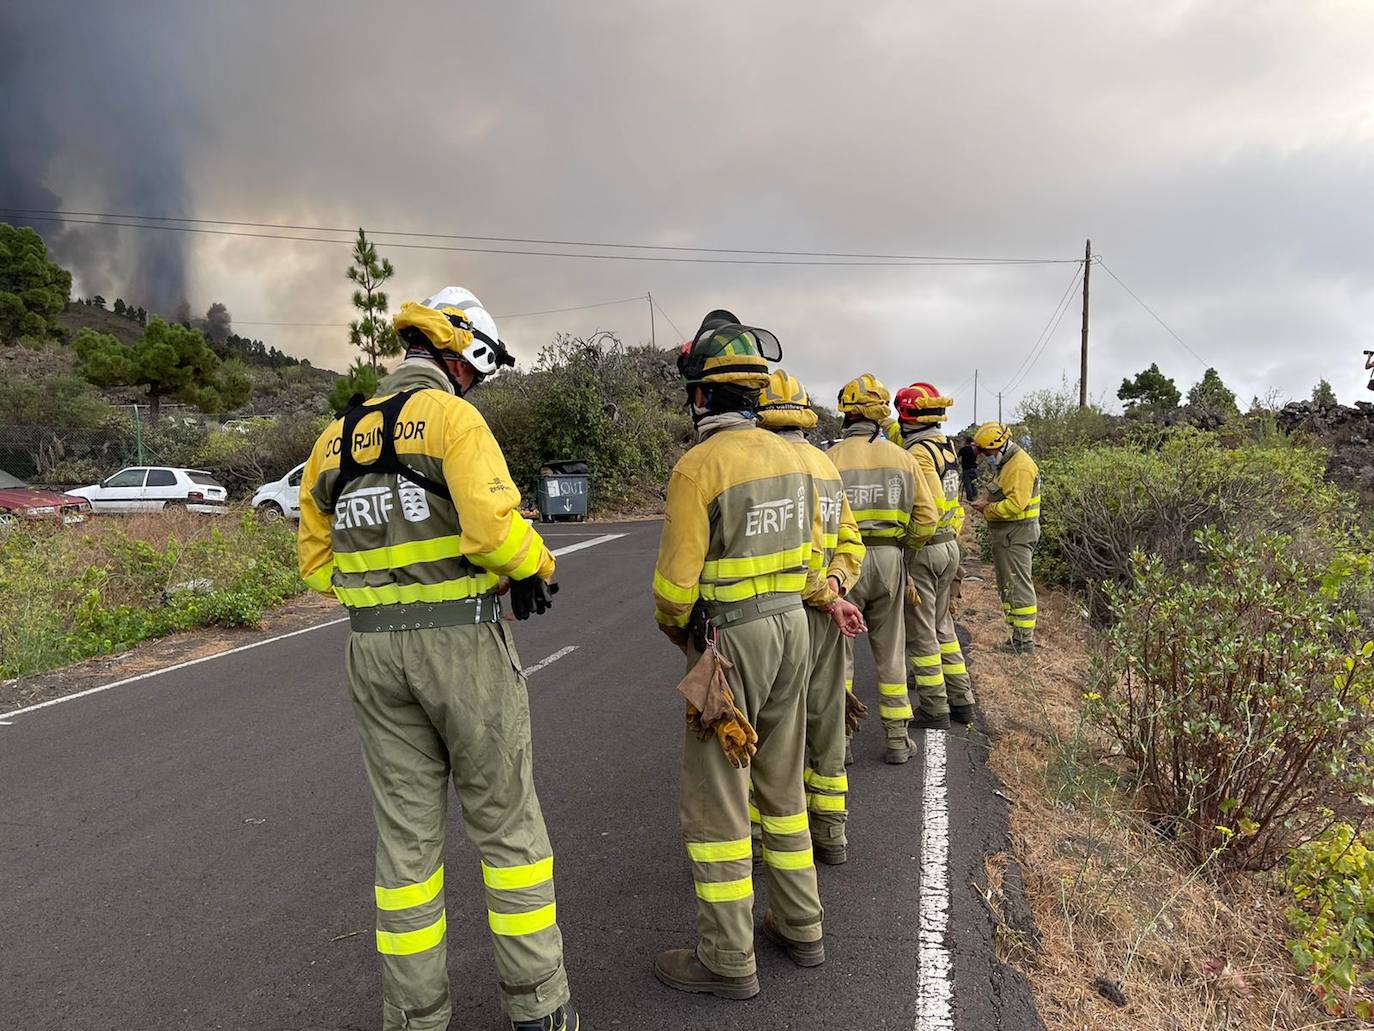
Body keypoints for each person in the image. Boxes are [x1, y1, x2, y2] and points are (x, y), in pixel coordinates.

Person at [298, 287, 577, 1031]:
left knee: (406, 848)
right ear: (464, 356)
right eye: (478, 369)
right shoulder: (456, 419)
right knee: (508, 830)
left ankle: (415, 1019)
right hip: (462, 647)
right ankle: (539, 1007)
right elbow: (493, 531)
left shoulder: (332, 440)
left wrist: (387, 589)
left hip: (372, 655)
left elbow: (316, 563)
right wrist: (536, 566)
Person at [651, 312, 864, 999]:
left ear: (705, 397)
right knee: (781, 784)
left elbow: (674, 592)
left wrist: (686, 635)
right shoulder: (800, 460)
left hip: (731, 641)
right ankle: (801, 925)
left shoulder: (697, 467)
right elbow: (813, 570)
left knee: (719, 800)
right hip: (793, 633)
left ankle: (727, 957)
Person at [756, 369, 867, 864]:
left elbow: (790, 560)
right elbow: (849, 541)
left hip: (785, 613)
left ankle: (762, 839)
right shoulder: (825, 465)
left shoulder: (762, 464)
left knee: (776, 730)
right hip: (828, 616)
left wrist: (823, 593)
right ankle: (831, 832)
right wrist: (839, 586)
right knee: (827, 723)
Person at [827, 374, 940, 764]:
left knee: (838, 655)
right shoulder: (903, 457)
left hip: (843, 565)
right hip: (891, 560)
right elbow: (927, 518)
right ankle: (896, 740)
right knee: (891, 652)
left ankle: (839, 744)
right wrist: (903, 545)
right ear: (881, 416)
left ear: (846, 415)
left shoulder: (830, 459)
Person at [893, 384, 975, 729]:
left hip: (925, 548)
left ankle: (934, 708)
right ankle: (962, 701)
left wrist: (907, 548)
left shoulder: (917, 453)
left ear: (908, 416)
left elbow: (923, 509)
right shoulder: (946, 446)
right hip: (949, 545)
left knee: (921, 631)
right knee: (943, 626)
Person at [971, 421, 1042, 654]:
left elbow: (1015, 505)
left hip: (1017, 533)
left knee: (1018, 585)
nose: (983, 456)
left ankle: (1023, 642)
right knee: (1008, 585)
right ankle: (1017, 638)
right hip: (1008, 534)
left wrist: (986, 509)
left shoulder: (1019, 466)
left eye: (986, 452)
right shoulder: (1006, 463)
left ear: (999, 446)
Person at [958, 436, 979, 502]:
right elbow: (981, 456)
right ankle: (975, 496)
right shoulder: (975, 449)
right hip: (974, 468)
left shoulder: (963, 449)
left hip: (966, 469)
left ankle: (970, 498)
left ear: (966, 442)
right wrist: (977, 463)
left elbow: (957, 457)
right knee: (973, 483)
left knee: (968, 484)